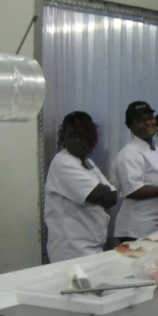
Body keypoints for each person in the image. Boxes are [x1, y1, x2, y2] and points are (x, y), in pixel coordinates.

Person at [44, 112, 118, 263]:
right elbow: (99, 195)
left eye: (81, 136)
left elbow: (112, 198)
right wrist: (102, 192)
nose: (76, 141)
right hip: (71, 251)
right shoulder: (63, 162)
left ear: (91, 138)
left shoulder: (88, 163)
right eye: (71, 136)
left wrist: (103, 193)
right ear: (63, 138)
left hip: (91, 247)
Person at [110, 101, 158, 241]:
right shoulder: (130, 153)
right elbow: (134, 190)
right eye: (140, 121)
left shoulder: (156, 150)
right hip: (136, 230)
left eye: (150, 118)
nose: (148, 123)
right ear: (131, 126)